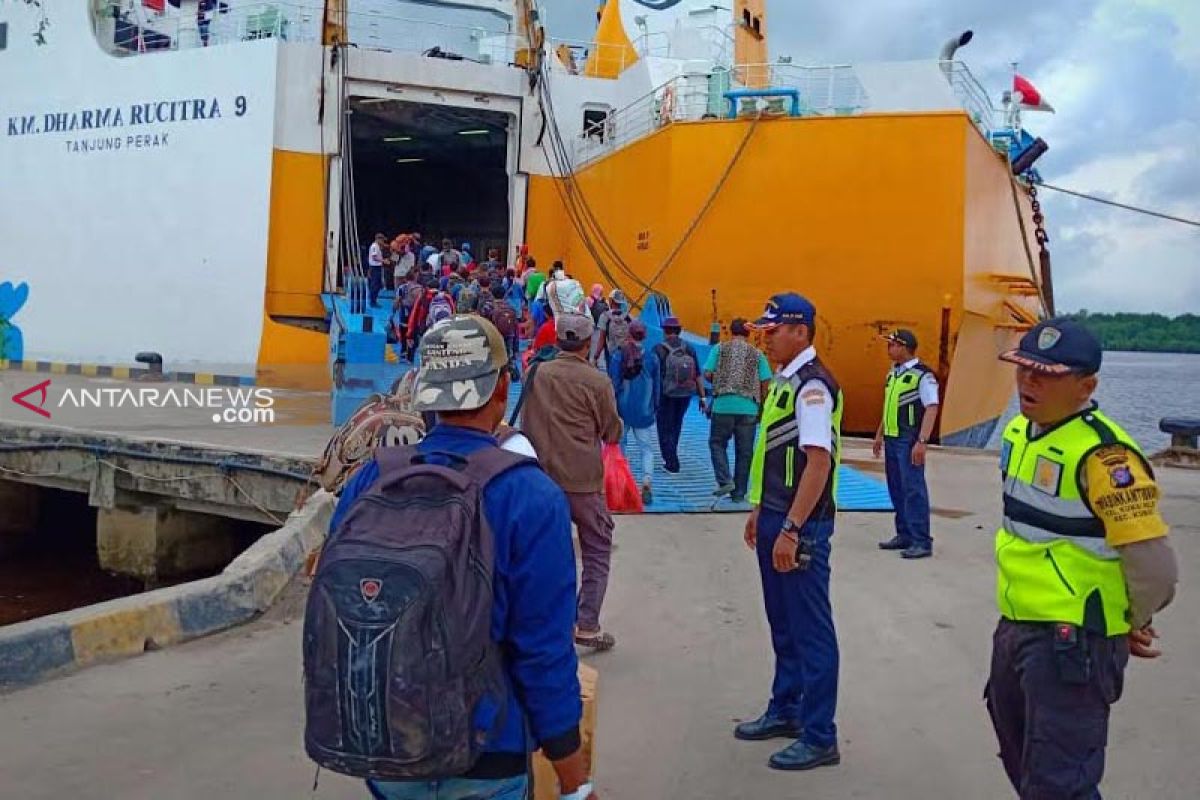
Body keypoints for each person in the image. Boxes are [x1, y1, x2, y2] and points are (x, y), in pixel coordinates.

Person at [324, 316, 597, 800]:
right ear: (502, 388)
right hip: (486, 757)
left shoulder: (370, 482)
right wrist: (575, 782)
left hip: (388, 748)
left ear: (425, 390)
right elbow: (543, 654)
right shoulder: (529, 494)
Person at [985, 318, 1178, 799]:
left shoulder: (1105, 458)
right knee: (1023, 758)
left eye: (1046, 374)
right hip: (1016, 623)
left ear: (1085, 386)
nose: (1028, 382)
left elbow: (1154, 567)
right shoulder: (1018, 433)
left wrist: (1128, 618)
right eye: (1024, 369)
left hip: (1072, 641)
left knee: (1060, 782)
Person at [736, 293, 843, 772]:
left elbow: (818, 463)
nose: (766, 337)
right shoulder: (785, 382)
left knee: (811, 630)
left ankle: (820, 734)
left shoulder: (813, 387)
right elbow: (773, 452)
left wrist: (793, 529)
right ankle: (787, 708)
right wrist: (761, 508)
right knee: (783, 623)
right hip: (777, 513)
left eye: (773, 330)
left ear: (801, 331)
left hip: (802, 522)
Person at [520, 313, 624, 651]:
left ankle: (545, 624)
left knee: (546, 553)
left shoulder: (535, 372)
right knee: (596, 549)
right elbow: (611, 431)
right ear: (587, 342)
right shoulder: (597, 382)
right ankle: (587, 624)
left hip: (538, 477)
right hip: (581, 479)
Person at [872, 329, 940, 559]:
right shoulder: (893, 374)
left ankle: (922, 540)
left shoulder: (923, 376)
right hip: (892, 438)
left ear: (904, 347)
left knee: (913, 489)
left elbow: (931, 407)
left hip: (908, 439)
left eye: (892, 344)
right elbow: (888, 406)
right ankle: (904, 533)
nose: (888, 349)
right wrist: (880, 434)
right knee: (896, 487)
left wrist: (922, 441)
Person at [705, 318, 772, 502]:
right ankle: (739, 493)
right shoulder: (757, 354)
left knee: (717, 443)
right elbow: (766, 380)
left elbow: (707, 373)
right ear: (748, 333)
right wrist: (762, 402)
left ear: (730, 332)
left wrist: (719, 381)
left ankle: (725, 480)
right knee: (744, 451)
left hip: (723, 406)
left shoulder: (719, 349)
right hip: (748, 408)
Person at [608, 320, 661, 505]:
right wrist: (655, 406)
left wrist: (612, 406)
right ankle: (646, 481)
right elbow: (657, 386)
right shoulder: (652, 358)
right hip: (644, 410)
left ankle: (622, 484)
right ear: (644, 336)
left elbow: (613, 382)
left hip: (622, 409)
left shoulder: (618, 355)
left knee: (621, 448)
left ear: (629, 334)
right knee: (646, 449)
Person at [653, 316, 707, 474]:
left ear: (665, 331)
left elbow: (653, 375)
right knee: (676, 424)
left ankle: (671, 461)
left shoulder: (659, 349)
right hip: (685, 393)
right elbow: (697, 374)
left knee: (664, 426)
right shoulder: (688, 348)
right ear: (679, 331)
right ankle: (672, 455)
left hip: (666, 394)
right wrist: (703, 397)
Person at [592, 290, 632, 369]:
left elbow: (602, 340)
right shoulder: (628, 317)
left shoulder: (605, 316)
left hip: (611, 353)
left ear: (611, 301)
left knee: (612, 377)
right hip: (626, 353)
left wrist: (596, 357)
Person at [367, 233, 387, 306]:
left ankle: (374, 300)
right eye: (382, 240)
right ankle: (372, 302)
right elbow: (374, 257)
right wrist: (383, 261)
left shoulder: (377, 246)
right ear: (378, 239)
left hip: (376, 267)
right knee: (375, 285)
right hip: (375, 268)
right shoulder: (375, 246)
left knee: (377, 285)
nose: (383, 242)